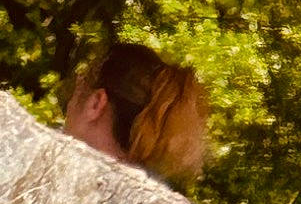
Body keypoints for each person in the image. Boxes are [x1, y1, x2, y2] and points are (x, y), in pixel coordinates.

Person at [62, 43, 209, 187]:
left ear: (96, 103)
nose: (67, 111)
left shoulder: (63, 187)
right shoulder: (150, 199)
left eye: (73, 96)